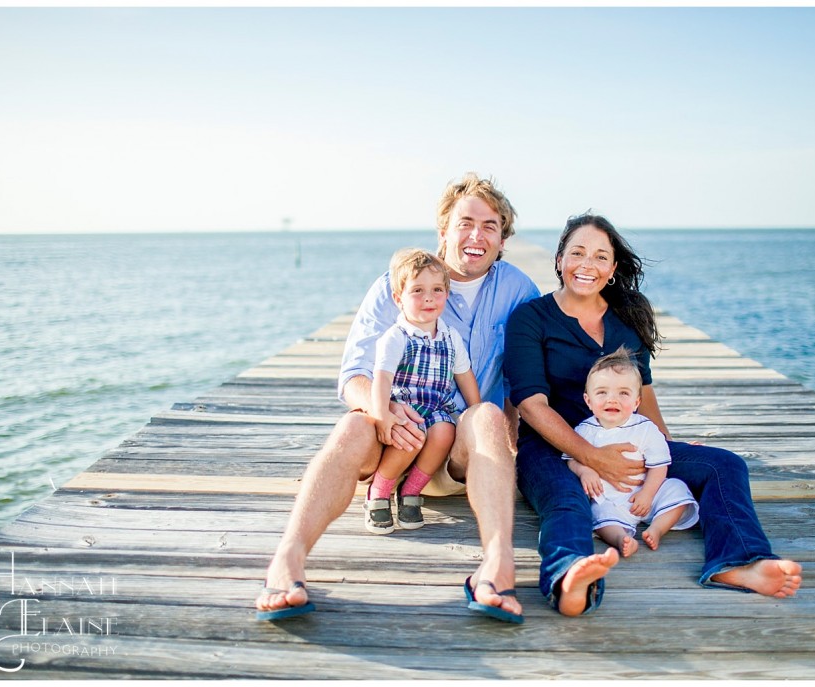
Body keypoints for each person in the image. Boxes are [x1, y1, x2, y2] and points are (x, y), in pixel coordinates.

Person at [255, 173, 539, 623]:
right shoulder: (396, 283)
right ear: (443, 231)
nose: (476, 235)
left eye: (490, 226)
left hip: (459, 450)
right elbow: (353, 376)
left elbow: (530, 384)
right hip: (393, 444)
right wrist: (383, 410)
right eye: (466, 222)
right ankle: (286, 562)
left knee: (484, 414)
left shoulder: (520, 291)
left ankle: (496, 566)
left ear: (503, 239)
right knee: (352, 422)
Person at [504, 212, 803, 617]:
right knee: (567, 498)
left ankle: (738, 563)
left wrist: (664, 444)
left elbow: (643, 391)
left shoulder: (627, 316)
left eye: (599, 256)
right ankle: (569, 578)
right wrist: (593, 458)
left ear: (612, 268)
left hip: (630, 437)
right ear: (559, 260)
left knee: (724, 466)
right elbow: (531, 405)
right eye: (577, 253)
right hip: (554, 449)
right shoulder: (531, 318)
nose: (586, 265)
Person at [364, 248, 481, 534]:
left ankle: (411, 490)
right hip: (403, 408)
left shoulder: (450, 337)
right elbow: (382, 379)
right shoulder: (396, 337)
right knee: (413, 436)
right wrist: (381, 416)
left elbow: (465, 377)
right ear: (398, 298)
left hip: (437, 408)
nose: (429, 298)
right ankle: (379, 490)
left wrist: (476, 413)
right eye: (418, 290)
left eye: (437, 289)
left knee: (445, 432)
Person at [564, 346, 698, 557]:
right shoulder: (584, 430)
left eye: (623, 393)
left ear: (636, 402)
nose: (612, 399)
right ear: (588, 401)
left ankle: (657, 528)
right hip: (609, 498)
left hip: (645, 493)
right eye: (602, 392)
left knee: (677, 488)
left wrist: (648, 494)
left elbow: (659, 466)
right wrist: (584, 471)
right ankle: (621, 538)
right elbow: (571, 458)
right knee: (599, 513)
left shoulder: (645, 428)